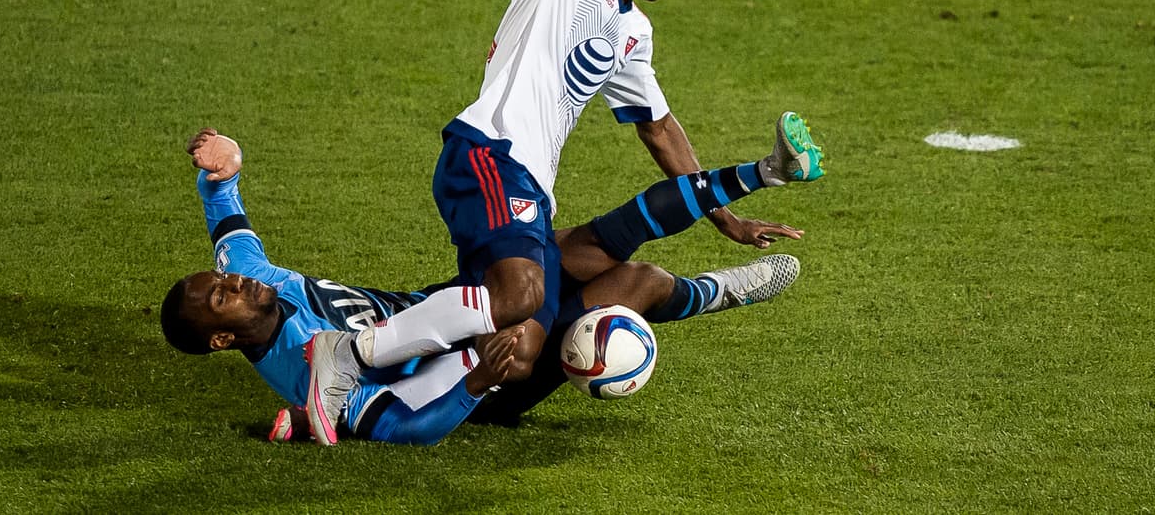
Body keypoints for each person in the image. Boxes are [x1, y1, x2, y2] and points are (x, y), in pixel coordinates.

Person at [304, 0, 825, 446]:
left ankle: (705, 292)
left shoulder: (632, 32)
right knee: (522, 297)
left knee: (599, 301)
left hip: (527, 190)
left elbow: (658, 126)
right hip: (486, 153)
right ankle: (347, 356)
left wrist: (725, 219)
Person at [163, 115, 821, 444]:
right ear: (222, 339)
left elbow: (226, 215)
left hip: (466, 306)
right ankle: (726, 282)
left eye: (226, 282)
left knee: (579, 248)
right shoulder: (301, 374)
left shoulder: (251, 278)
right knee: (635, 280)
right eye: (225, 297)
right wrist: (479, 379)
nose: (239, 286)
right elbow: (402, 427)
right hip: (490, 370)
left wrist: (220, 167)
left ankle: (758, 182)